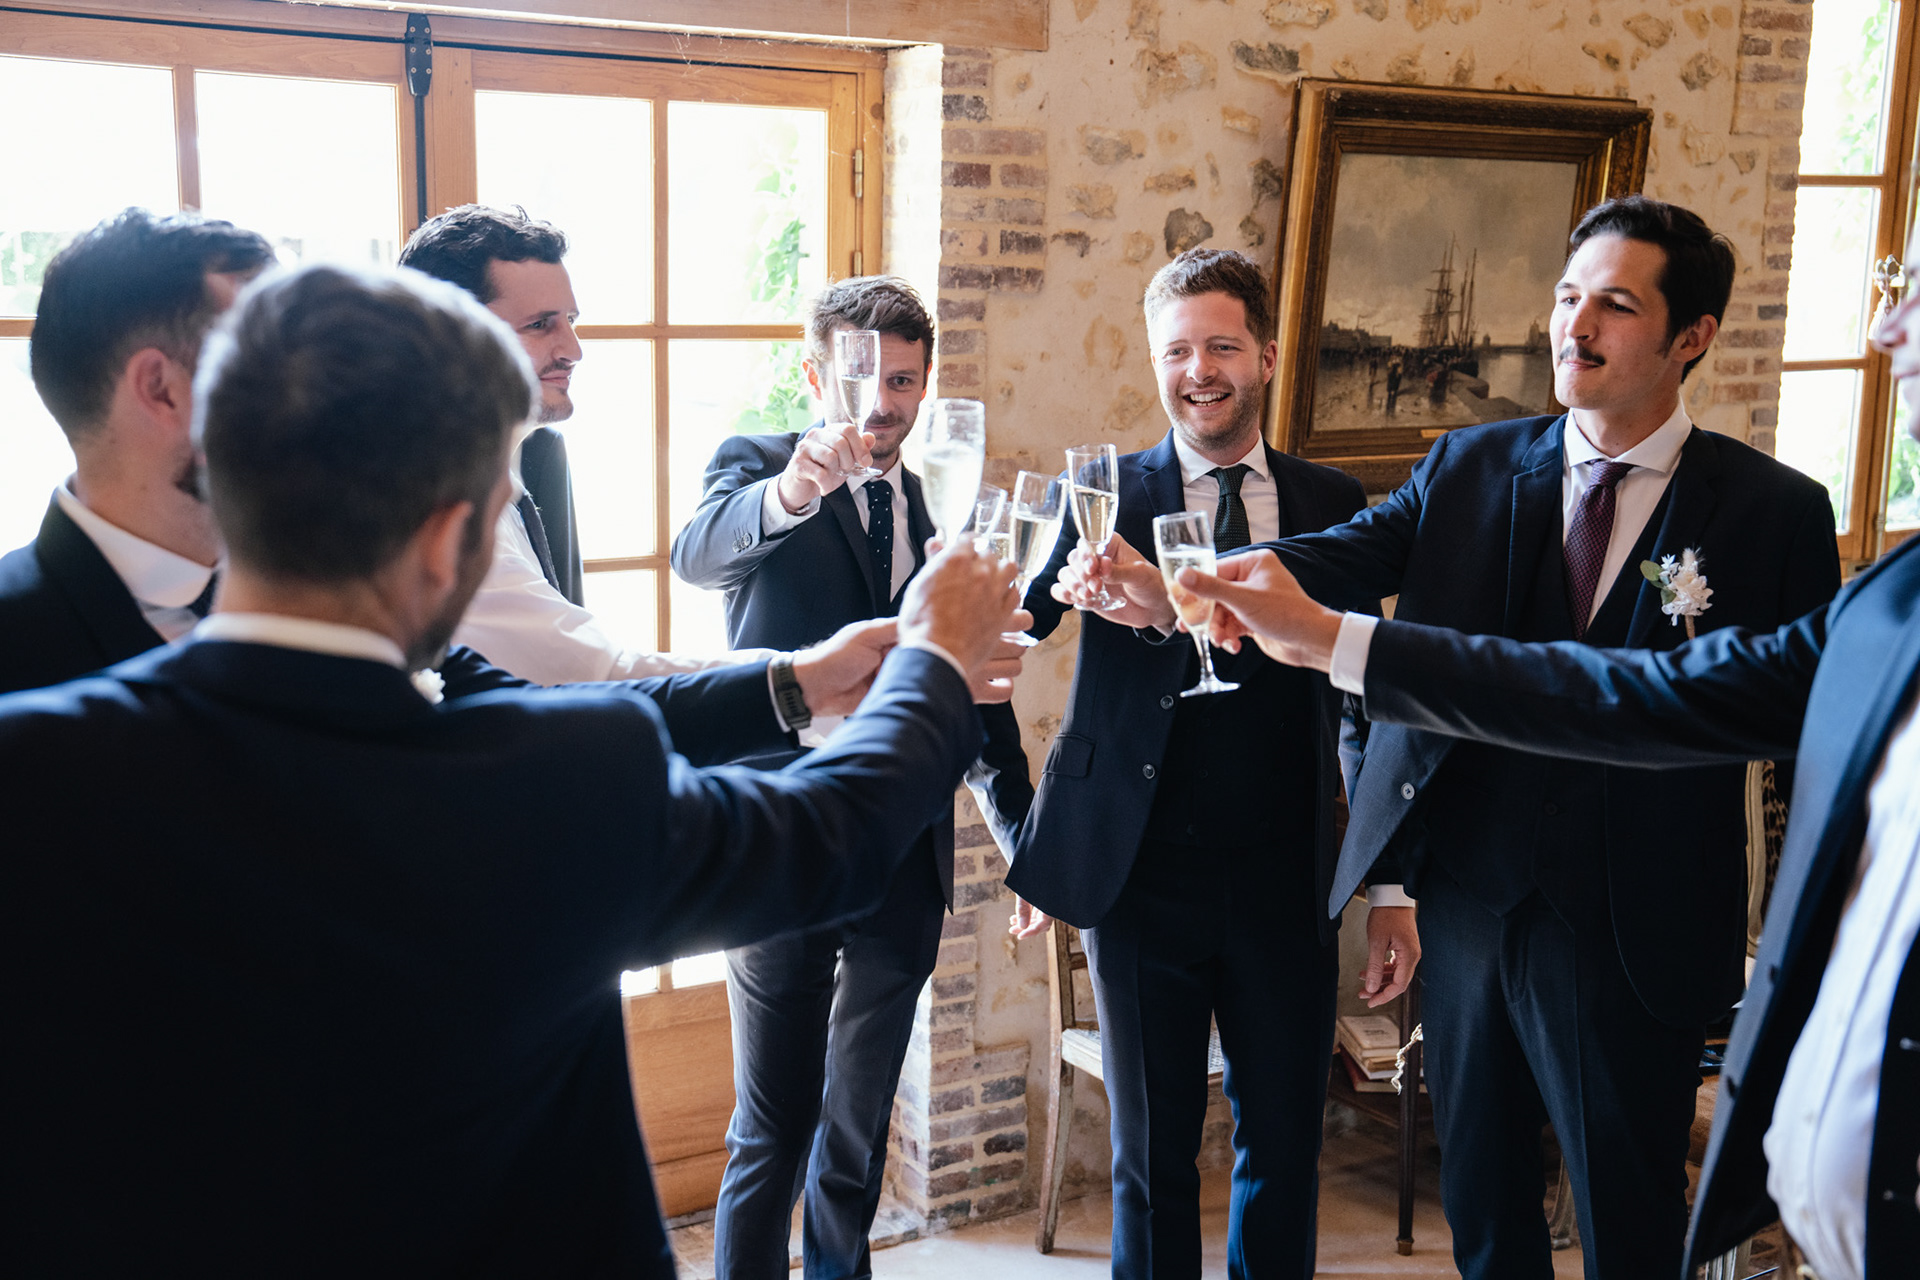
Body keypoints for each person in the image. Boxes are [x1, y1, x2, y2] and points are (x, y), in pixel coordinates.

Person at [2, 260, 1022, 1274]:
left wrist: (797, 681)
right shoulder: (558, 780)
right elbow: (827, 839)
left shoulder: (33, 762)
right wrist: (934, 663)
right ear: (453, 536)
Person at [1061, 197, 1841, 1280]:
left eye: (1615, 306)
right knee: (1483, 1213)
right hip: (1473, 915)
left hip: (1640, 930)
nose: (1576, 327)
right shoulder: (1468, 464)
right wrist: (1186, 586)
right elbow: (1332, 554)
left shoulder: (1773, 513)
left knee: (1632, 1226)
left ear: (1691, 336)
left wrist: (1812, 960)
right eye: (1567, 297)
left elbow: (1811, 751)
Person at [1009, 248, 1406, 1280]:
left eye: (1222, 346)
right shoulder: (1099, 493)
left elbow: (1369, 703)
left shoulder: (1333, 498)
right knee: (1151, 1158)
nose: (1199, 372)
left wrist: (1392, 886)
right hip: (1140, 878)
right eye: (1176, 351)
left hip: (1288, 877)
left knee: (1285, 1144)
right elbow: (1002, 641)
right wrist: (1028, 831)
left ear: (1266, 355)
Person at [671, 275, 1033, 1280]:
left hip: (902, 859)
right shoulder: (758, 467)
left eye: (904, 380)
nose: (882, 400)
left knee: (859, 1125)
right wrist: (794, 492)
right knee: (772, 1126)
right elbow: (696, 557)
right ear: (815, 372)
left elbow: (972, 689)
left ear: (927, 384)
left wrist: (1028, 845)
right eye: (862, 375)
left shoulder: (941, 501)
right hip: (777, 842)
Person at [400, 203, 732, 683]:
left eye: (570, 320)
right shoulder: (436, 496)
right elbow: (594, 674)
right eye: (540, 325)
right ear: (453, 339)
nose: (574, 350)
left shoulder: (511, 462)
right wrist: (809, 676)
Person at [0, 208, 272, 693]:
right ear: (161, 388)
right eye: (270, 363)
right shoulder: (12, 648)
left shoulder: (330, 597)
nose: (307, 398)